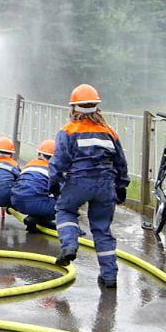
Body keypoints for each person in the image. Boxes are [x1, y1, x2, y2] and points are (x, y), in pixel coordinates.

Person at [49, 84, 129, 289]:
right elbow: (121, 162)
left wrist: (54, 183)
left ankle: (69, 246)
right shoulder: (109, 132)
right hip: (105, 186)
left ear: (74, 108)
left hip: (78, 182)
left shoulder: (67, 131)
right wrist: (121, 186)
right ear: (96, 108)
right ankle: (109, 276)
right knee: (102, 230)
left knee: (65, 211)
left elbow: (59, 161)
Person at [11, 139, 57, 233]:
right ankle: (36, 219)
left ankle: (38, 219)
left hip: (16, 203)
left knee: (38, 196)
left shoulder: (28, 165)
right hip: (35, 204)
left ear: (39, 154)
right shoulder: (53, 170)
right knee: (65, 203)